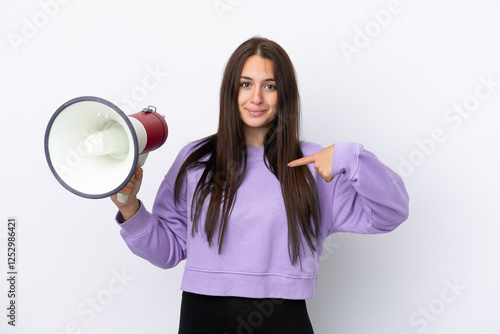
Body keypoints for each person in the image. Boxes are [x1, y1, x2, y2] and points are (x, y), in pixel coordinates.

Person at [111, 36, 409, 334]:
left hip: (282, 321)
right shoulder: (196, 160)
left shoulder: (314, 164)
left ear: (284, 95)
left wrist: (351, 156)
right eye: (245, 84)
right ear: (231, 91)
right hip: (200, 321)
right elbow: (167, 252)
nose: (256, 98)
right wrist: (130, 208)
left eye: (270, 86)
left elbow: (390, 213)